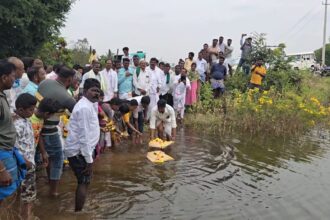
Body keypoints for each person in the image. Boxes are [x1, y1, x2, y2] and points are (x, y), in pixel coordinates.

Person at [38, 66, 76, 197]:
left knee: (47, 157)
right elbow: (77, 113)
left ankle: (49, 182)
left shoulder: (44, 83)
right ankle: (53, 191)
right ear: (69, 79)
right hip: (50, 129)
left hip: (36, 126)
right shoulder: (66, 96)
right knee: (58, 159)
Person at [64, 78, 101, 212]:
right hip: (79, 151)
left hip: (83, 150)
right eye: (93, 91)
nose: (96, 94)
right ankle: (78, 213)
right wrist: (89, 160)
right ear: (85, 91)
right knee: (83, 182)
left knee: (86, 181)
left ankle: (79, 207)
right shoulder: (84, 107)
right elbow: (83, 136)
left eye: (98, 91)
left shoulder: (90, 104)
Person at [13, 93, 48, 220]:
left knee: (27, 194)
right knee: (28, 195)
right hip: (24, 164)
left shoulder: (25, 120)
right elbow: (14, 145)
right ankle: (27, 217)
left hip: (27, 163)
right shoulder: (17, 125)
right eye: (31, 110)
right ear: (21, 109)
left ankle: (26, 216)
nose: (33, 112)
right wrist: (25, 160)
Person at [0, 60, 26, 204]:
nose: (15, 79)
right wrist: (1, 170)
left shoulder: (2, 95)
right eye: (12, 76)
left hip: (7, 150)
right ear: (4, 78)